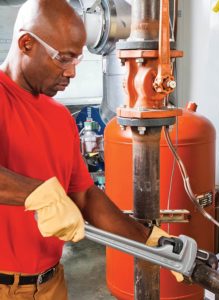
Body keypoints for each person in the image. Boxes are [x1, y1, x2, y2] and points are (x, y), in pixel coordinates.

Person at [0, 0, 180, 299]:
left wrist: (148, 239)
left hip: (52, 283)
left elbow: (85, 195)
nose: (71, 73)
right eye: (64, 58)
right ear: (26, 43)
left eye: (77, 60)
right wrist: (36, 194)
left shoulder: (59, 118)